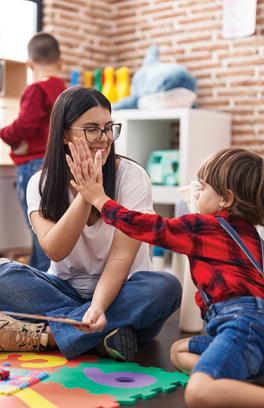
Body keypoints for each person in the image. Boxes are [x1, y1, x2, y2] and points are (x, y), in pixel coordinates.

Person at [67, 144, 264, 407]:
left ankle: (222, 385)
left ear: (225, 199)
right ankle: (238, 382)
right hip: (252, 326)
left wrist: (99, 199)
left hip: (240, 323)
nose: (197, 193)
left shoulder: (203, 226)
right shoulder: (252, 235)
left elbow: (149, 227)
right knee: (178, 351)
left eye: (203, 188)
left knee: (197, 394)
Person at [0, 86, 182, 362]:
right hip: (65, 290)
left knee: (165, 287)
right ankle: (101, 337)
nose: (104, 138)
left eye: (108, 127)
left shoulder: (132, 177)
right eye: (91, 129)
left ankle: (51, 334)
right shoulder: (41, 183)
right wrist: (86, 195)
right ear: (63, 133)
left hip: (123, 291)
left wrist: (97, 307)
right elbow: (54, 250)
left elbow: (121, 257)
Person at [0, 32, 66, 271]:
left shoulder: (35, 90)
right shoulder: (62, 88)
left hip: (31, 166)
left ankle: (42, 281)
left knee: (38, 228)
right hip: (54, 163)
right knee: (51, 227)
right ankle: (53, 276)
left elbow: (25, 125)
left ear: (30, 64)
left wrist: (5, 133)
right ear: (60, 62)